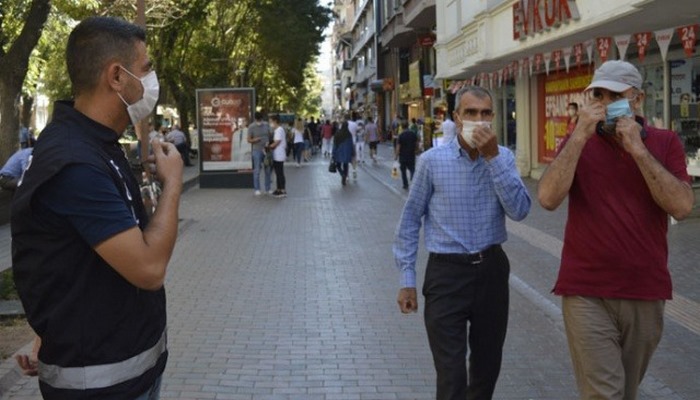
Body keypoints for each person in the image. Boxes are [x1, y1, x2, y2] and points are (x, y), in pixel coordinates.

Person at [11, 16, 183, 400]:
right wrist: (173, 183)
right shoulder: (75, 163)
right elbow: (149, 268)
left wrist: (50, 328)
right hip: (102, 387)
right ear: (116, 77)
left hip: (128, 374)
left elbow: (63, 255)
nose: (151, 80)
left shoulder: (95, 144)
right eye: (146, 68)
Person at [537, 60, 694, 400]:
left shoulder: (665, 142)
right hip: (585, 290)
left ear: (637, 99)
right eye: (599, 94)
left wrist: (638, 149)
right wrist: (578, 136)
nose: (606, 103)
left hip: (645, 290)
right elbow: (547, 198)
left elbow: (682, 207)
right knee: (603, 394)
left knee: (625, 392)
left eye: (615, 95)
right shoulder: (578, 141)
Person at [393, 85, 531, 400]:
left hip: (491, 270)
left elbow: (520, 211)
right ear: (456, 117)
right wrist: (407, 279)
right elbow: (411, 219)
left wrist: (493, 158)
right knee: (452, 374)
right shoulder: (431, 161)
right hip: (446, 274)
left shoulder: (504, 158)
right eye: (470, 113)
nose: (478, 120)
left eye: (484, 114)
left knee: (486, 370)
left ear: (493, 118)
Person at [247, 111, 272, 195]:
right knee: (257, 170)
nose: (259, 122)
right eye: (258, 120)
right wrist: (255, 140)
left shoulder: (266, 125)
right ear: (255, 119)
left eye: (260, 120)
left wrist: (269, 141)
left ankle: (268, 188)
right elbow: (248, 139)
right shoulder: (251, 127)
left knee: (268, 170)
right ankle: (257, 189)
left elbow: (270, 135)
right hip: (256, 150)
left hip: (266, 150)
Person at [395, 119, 420, 190]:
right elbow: (417, 144)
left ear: (402, 127)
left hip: (402, 156)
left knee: (403, 171)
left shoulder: (401, 135)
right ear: (408, 126)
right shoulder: (413, 134)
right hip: (411, 155)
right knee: (412, 168)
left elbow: (398, 147)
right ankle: (413, 179)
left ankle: (405, 184)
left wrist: (396, 156)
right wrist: (417, 150)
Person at [268, 114, 287, 198]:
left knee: (279, 173)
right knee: (277, 172)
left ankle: (282, 190)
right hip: (277, 154)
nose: (270, 123)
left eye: (271, 121)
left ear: (275, 121)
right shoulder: (278, 130)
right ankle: (278, 189)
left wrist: (269, 146)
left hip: (279, 154)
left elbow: (277, 142)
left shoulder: (279, 130)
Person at [332, 119, 354, 186]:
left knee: (338, 165)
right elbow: (351, 144)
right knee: (346, 165)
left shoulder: (337, 133)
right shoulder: (349, 134)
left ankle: (342, 174)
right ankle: (345, 176)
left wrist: (333, 152)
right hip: (347, 152)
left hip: (338, 152)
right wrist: (352, 152)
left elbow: (335, 144)